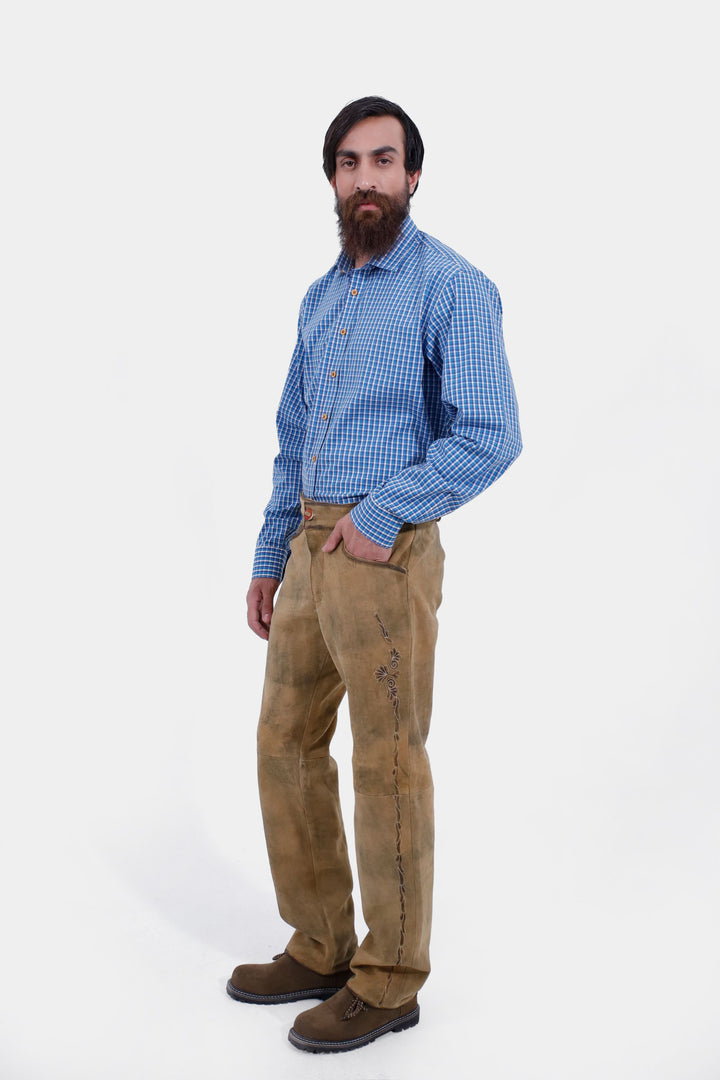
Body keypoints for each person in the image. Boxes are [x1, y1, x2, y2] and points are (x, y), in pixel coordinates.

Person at [226, 96, 522, 1054]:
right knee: (283, 742)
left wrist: (378, 517)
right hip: (310, 548)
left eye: (384, 160)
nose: (366, 178)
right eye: (349, 163)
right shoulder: (321, 299)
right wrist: (272, 558)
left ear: (414, 175)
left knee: (387, 760)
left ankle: (390, 978)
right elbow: (289, 440)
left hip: (383, 549)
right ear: (332, 180)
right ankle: (321, 943)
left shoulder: (452, 286)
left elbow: (490, 435)